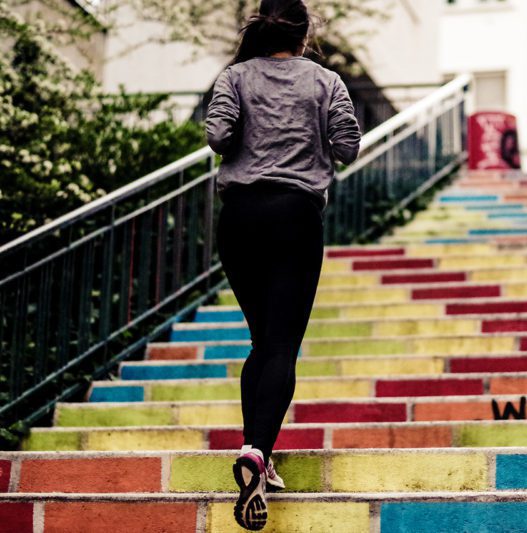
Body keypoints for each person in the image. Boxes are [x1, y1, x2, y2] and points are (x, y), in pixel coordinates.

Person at [205, 0, 361, 529]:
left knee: (261, 341)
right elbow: (347, 147)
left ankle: (259, 453)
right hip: (295, 217)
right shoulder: (326, 82)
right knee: (281, 346)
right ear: (304, 33)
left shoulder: (234, 77)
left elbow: (218, 137)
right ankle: (254, 452)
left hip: (240, 218)